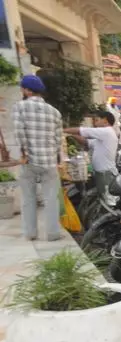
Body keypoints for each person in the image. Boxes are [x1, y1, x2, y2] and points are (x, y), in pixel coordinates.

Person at [12, 75, 63, 241]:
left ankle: (30, 233)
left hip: (30, 161)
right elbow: (57, 139)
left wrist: (24, 153)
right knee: (51, 198)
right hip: (49, 161)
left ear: (27, 90)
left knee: (28, 198)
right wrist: (56, 158)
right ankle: (53, 233)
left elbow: (19, 132)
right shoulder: (54, 112)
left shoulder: (20, 107)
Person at [64, 111, 119, 200]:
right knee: (102, 197)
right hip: (102, 173)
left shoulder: (107, 131)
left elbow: (84, 131)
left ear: (105, 121)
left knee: (106, 200)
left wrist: (63, 130)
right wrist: (71, 134)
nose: (95, 123)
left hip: (105, 174)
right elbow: (87, 143)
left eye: (97, 120)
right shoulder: (102, 136)